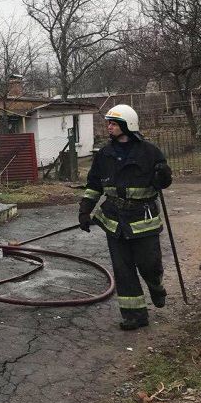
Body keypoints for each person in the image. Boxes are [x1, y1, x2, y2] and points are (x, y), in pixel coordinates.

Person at [78, 105, 173, 330]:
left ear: (127, 126)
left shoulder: (150, 152)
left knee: (149, 264)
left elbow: (163, 183)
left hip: (143, 220)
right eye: (109, 123)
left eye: (113, 123)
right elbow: (93, 186)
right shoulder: (104, 155)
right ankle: (135, 315)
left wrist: (164, 177)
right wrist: (84, 210)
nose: (108, 127)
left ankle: (156, 287)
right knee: (123, 270)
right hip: (115, 222)